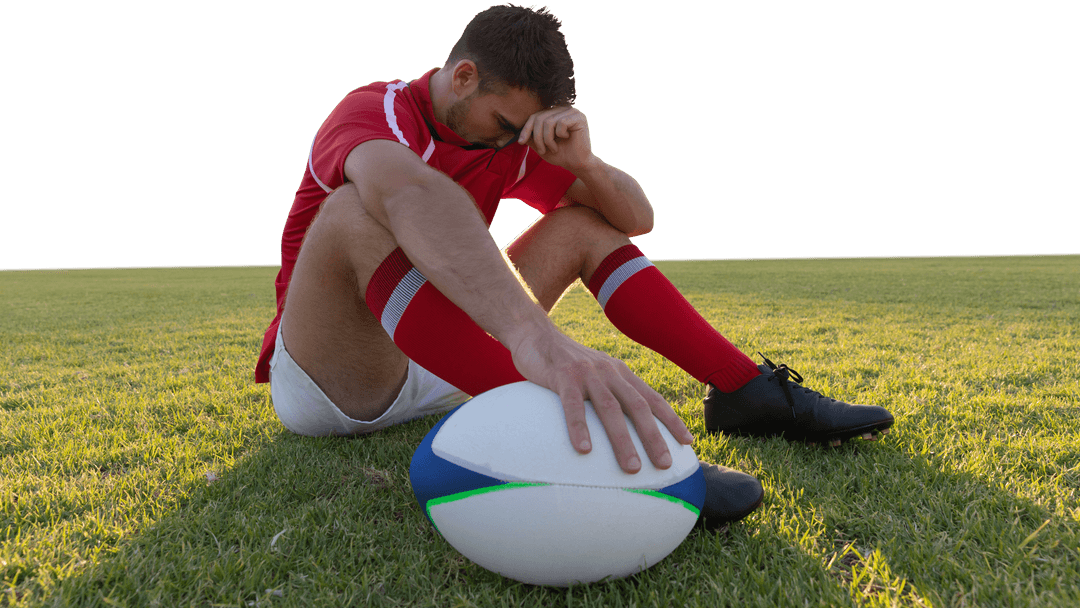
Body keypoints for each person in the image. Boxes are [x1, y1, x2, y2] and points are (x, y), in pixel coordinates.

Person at [254, 4, 893, 528]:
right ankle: (606, 437)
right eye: (505, 123)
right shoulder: (374, 113)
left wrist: (583, 164)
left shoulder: (501, 134)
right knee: (350, 212)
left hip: (434, 353)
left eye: (519, 132)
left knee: (581, 223)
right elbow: (410, 195)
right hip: (335, 380)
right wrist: (534, 334)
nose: (509, 142)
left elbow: (635, 217)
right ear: (465, 76)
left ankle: (743, 389)